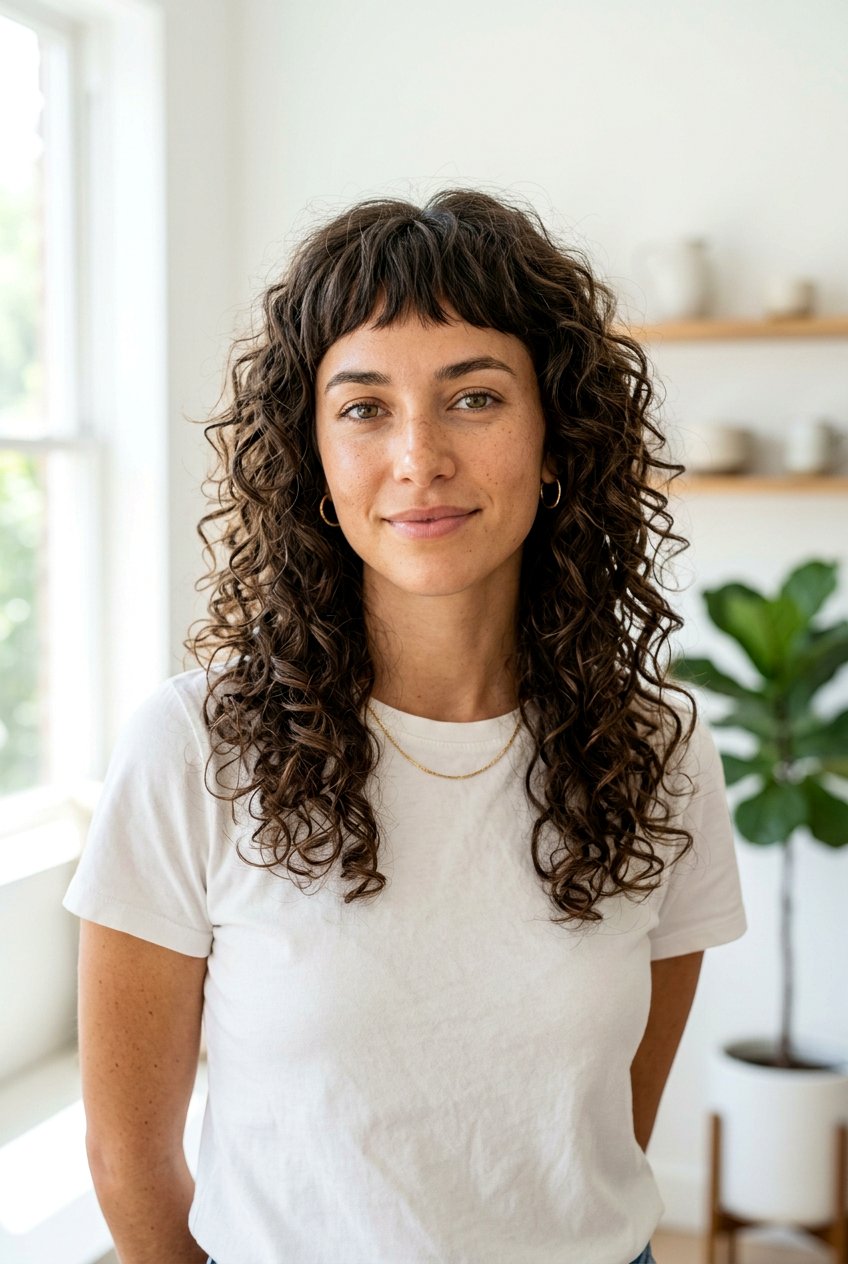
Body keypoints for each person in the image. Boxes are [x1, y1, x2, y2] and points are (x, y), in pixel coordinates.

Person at [63, 188, 748, 1264]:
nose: (417, 455)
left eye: (473, 398)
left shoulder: (654, 749)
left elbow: (604, 1131)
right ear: (312, 459)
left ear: (556, 435)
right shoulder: (197, 745)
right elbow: (129, 1161)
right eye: (364, 406)